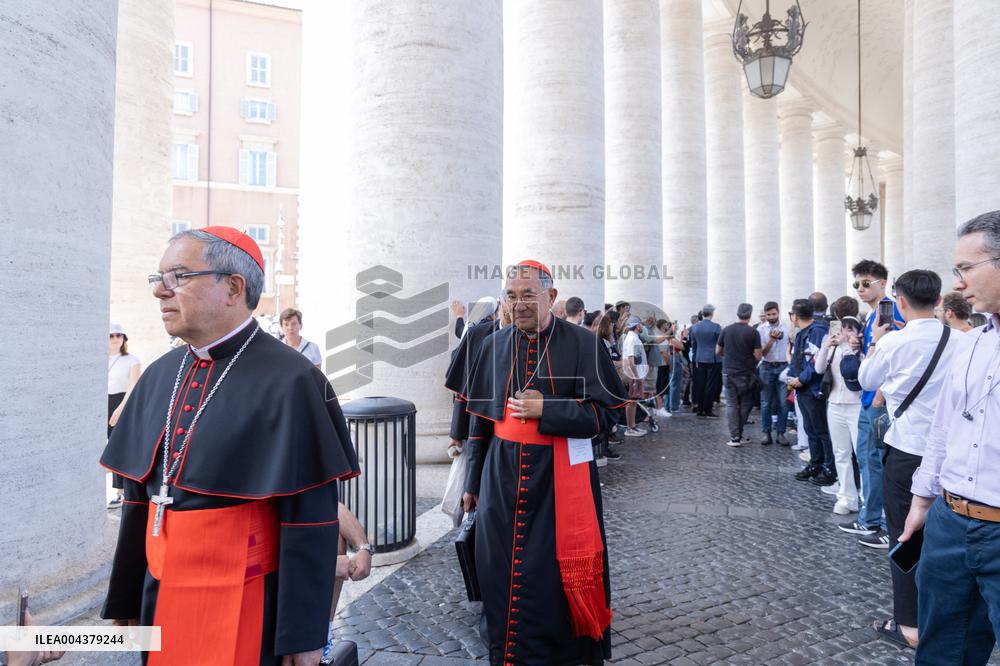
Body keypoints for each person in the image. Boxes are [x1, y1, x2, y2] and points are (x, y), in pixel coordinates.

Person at [100, 226, 360, 665]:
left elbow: (310, 519)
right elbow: (139, 499)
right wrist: (125, 597)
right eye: (157, 278)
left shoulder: (293, 379)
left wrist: (303, 636)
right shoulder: (160, 375)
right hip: (159, 589)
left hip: (248, 597)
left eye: (178, 277)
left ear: (233, 288)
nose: (160, 292)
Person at [459, 260, 625, 665]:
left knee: (549, 580)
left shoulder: (584, 345)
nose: (519, 304)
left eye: (528, 295)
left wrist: (548, 410)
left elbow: (607, 418)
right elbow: (480, 422)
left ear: (551, 297)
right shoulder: (491, 345)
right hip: (501, 479)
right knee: (500, 573)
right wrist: (471, 481)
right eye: (511, 296)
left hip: (558, 481)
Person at [897, 211, 1000, 665]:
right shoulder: (972, 343)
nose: (957, 283)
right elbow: (944, 426)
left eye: (965, 268)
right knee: (942, 651)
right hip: (950, 521)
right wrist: (922, 502)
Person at [858, 269, 968, 649]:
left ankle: (909, 624)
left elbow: (867, 380)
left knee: (905, 535)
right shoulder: (962, 340)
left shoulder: (894, 342)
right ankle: (948, 614)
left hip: (907, 453)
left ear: (900, 302)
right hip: (953, 453)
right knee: (948, 538)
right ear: (939, 301)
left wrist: (874, 342)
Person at [837, 259, 901, 544]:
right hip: (869, 396)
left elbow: (896, 355)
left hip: (877, 397)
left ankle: (876, 521)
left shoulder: (890, 311)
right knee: (867, 458)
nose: (860, 289)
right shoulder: (873, 313)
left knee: (874, 459)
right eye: (857, 285)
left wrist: (881, 393)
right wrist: (858, 346)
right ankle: (870, 517)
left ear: (882, 283)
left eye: (866, 284)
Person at [815, 297, 863, 515]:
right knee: (841, 453)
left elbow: (863, 371)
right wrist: (827, 346)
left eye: (848, 327)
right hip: (834, 403)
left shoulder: (858, 345)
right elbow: (818, 369)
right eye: (841, 326)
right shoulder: (832, 343)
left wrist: (854, 346)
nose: (844, 330)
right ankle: (847, 496)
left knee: (861, 454)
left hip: (856, 405)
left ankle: (866, 497)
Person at [787, 299, 836, 486]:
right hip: (802, 388)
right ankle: (815, 463)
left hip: (813, 389)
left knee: (821, 430)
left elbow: (816, 361)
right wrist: (792, 379)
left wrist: (801, 379)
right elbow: (797, 360)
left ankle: (828, 467)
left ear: (795, 316)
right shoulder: (803, 333)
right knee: (810, 429)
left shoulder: (816, 332)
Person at [107, 323, 142, 509]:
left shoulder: (131, 360)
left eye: (119, 335)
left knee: (117, 446)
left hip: (121, 402)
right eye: (111, 335)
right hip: (101, 403)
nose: (115, 339)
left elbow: (132, 387)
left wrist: (120, 408)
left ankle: (120, 492)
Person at [716, 303, 761, 446]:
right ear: (750, 314)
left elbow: (718, 351)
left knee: (731, 404)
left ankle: (735, 437)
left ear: (737, 313)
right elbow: (758, 356)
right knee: (746, 404)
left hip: (728, 371)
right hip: (747, 373)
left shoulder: (727, 330)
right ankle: (738, 434)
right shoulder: (753, 332)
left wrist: (728, 356)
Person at [757, 302, 790, 446]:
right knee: (765, 402)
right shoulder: (760, 329)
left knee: (783, 402)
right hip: (766, 366)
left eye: (773, 314)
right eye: (768, 314)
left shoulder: (787, 327)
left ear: (778, 313)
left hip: (783, 365)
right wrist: (772, 340)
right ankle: (766, 432)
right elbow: (762, 353)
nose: (771, 317)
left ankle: (781, 433)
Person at [689, 305, 723, 418]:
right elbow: (720, 343)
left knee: (700, 384)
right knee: (710, 385)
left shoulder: (695, 327)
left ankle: (699, 408)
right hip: (713, 359)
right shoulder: (716, 327)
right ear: (712, 313)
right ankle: (707, 409)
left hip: (699, 358)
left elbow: (693, 344)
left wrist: (695, 358)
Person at [621, 316, 650, 437]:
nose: (642, 326)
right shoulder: (632, 338)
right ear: (637, 325)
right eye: (641, 324)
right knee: (631, 401)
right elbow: (631, 360)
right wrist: (637, 377)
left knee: (633, 401)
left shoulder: (632, 337)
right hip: (634, 374)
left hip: (635, 373)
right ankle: (630, 428)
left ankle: (632, 426)